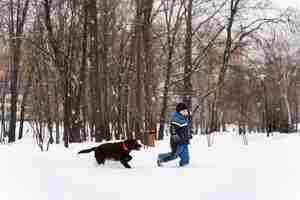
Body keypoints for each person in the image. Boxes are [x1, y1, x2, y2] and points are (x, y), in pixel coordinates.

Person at [157, 102, 192, 167]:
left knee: (185, 156)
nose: (185, 112)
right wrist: (174, 135)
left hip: (185, 141)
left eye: (186, 111)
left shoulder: (185, 119)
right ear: (179, 112)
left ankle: (184, 165)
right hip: (177, 142)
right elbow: (172, 128)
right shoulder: (176, 119)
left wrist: (189, 134)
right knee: (174, 155)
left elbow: (186, 128)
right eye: (183, 111)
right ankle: (161, 158)